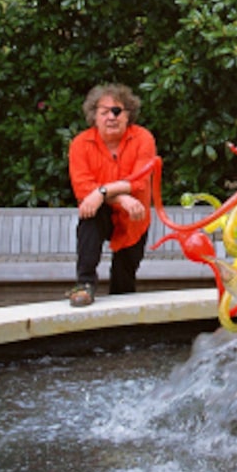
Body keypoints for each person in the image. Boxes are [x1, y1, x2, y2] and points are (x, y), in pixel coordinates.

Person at [67, 83, 156, 307]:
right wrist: (120, 197)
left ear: (128, 115)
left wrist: (103, 191)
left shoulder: (143, 138)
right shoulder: (80, 144)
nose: (111, 117)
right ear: (94, 116)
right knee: (90, 213)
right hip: (103, 211)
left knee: (124, 286)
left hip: (133, 218)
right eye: (104, 112)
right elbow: (83, 189)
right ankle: (84, 283)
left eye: (117, 111)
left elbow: (140, 182)